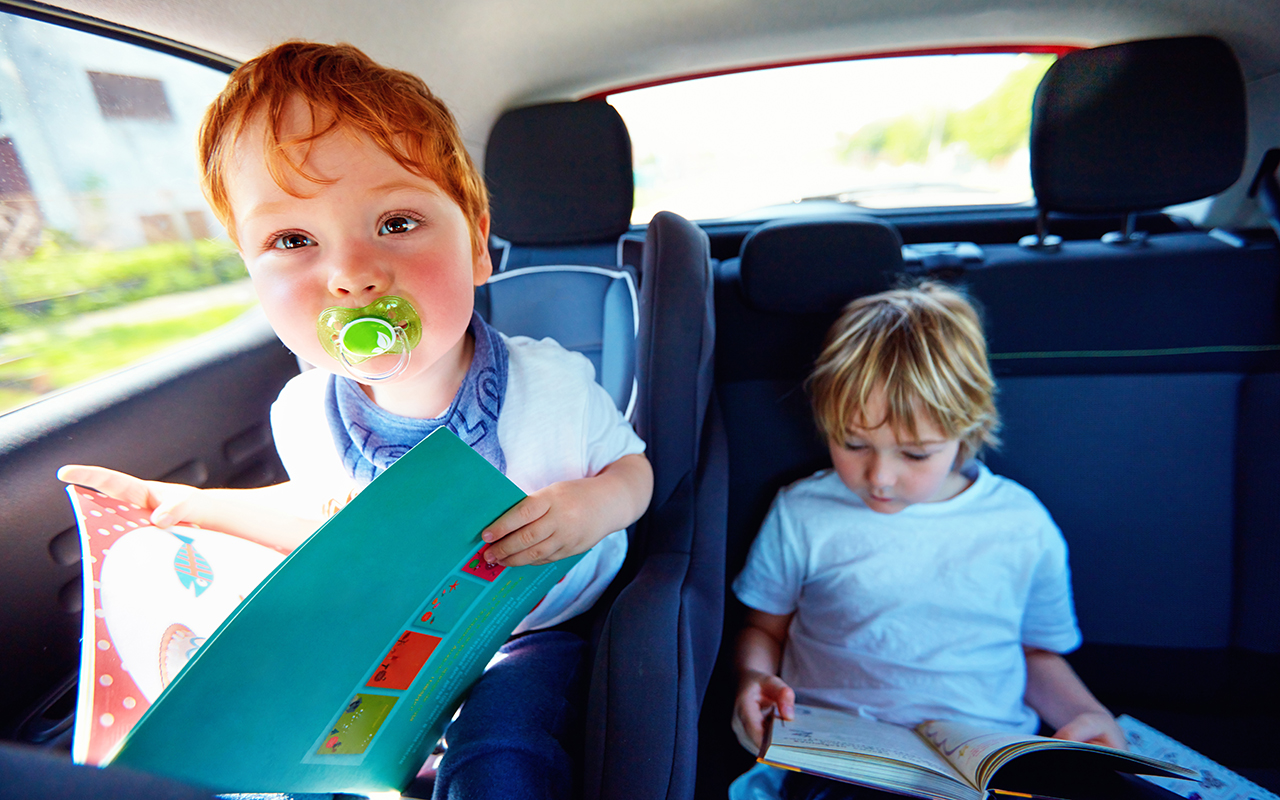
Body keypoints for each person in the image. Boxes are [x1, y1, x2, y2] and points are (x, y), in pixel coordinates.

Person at [59, 41, 653, 799]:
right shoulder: (304, 413)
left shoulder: (552, 384)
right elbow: (329, 517)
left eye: (396, 222)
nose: (350, 274)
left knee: (500, 753)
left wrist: (590, 507)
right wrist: (181, 505)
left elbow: (634, 472)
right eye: (292, 240)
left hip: (533, 626)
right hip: (402, 643)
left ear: (476, 244)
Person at [729, 282, 1124, 800]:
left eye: (915, 454)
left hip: (983, 769)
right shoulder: (803, 511)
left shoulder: (1021, 523)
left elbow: (1034, 653)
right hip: (837, 764)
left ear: (968, 428)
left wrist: (1087, 714)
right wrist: (752, 676)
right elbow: (765, 627)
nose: (880, 477)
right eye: (853, 443)